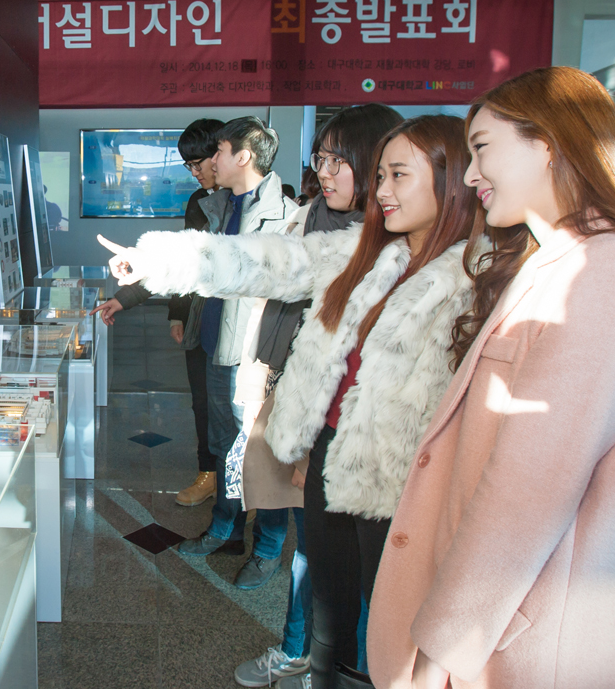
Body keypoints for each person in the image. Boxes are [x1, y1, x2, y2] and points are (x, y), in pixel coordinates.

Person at [100, 113, 481, 689]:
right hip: (329, 452)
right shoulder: (370, 251)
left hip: (404, 483)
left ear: (450, 181)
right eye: (379, 175)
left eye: (397, 175)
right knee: (330, 611)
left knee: (391, 628)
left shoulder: (479, 279)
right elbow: (268, 263)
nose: (381, 190)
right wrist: (157, 262)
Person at [368, 67, 615, 689]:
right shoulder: (559, 260)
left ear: (546, 143)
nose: (470, 175)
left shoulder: (607, 273)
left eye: (482, 148)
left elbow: (529, 490)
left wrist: (442, 649)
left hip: (527, 637)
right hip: (506, 618)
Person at [230, 105, 401, 687]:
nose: (324, 172)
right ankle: (306, 655)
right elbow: (259, 276)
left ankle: (331, 663)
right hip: (307, 413)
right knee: (320, 556)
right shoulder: (315, 223)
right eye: (320, 159)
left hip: (366, 445)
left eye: (338, 161)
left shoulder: (404, 255)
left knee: (362, 580)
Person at [169, 115, 298, 589]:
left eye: (218, 152)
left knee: (261, 456)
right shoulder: (216, 206)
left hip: (253, 358)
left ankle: (267, 549)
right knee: (224, 447)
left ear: (242, 156)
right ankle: (224, 528)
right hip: (216, 346)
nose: (210, 162)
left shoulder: (287, 218)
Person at [93, 118, 222, 505]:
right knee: (202, 402)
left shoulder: (245, 205)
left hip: (239, 327)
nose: (194, 172)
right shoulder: (198, 202)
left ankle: (241, 489)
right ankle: (208, 473)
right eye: (188, 165)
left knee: (233, 410)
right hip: (203, 318)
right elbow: (184, 261)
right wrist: (172, 312)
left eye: (199, 162)